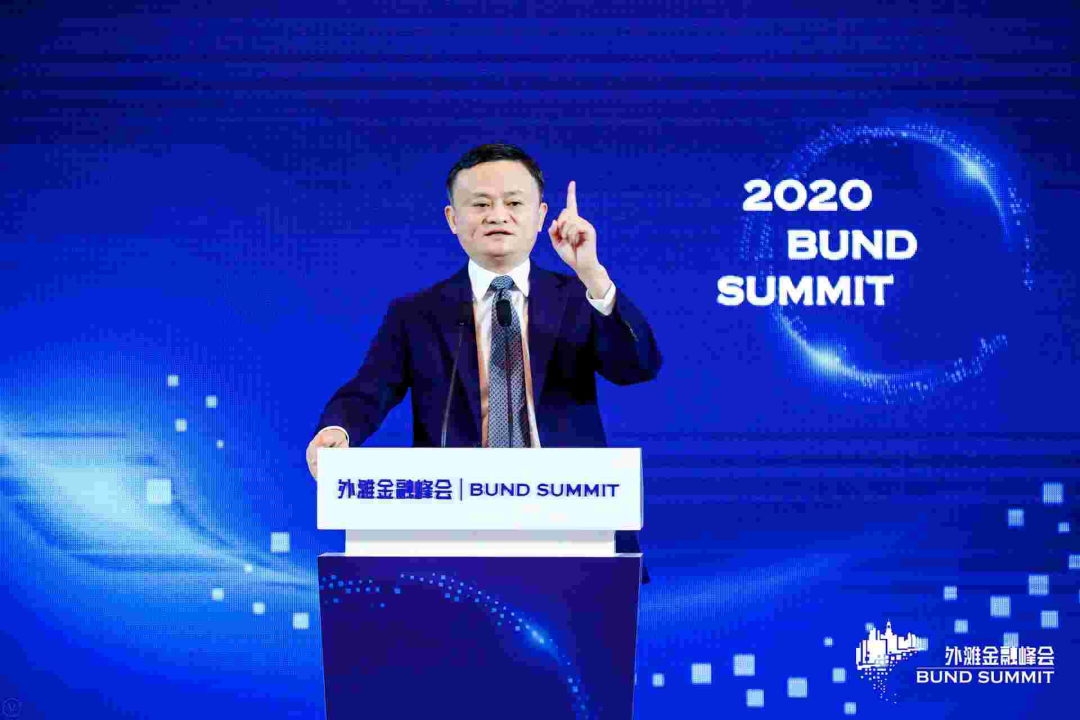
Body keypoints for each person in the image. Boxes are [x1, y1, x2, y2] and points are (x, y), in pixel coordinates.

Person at [306, 143, 661, 582]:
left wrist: (593, 274)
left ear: (540, 216)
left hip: (572, 522)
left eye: (514, 203)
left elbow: (638, 367)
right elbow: (368, 391)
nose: (498, 216)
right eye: (480, 204)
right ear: (453, 219)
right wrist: (337, 430)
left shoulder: (580, 298)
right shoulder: (417, 313)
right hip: (453, 526)